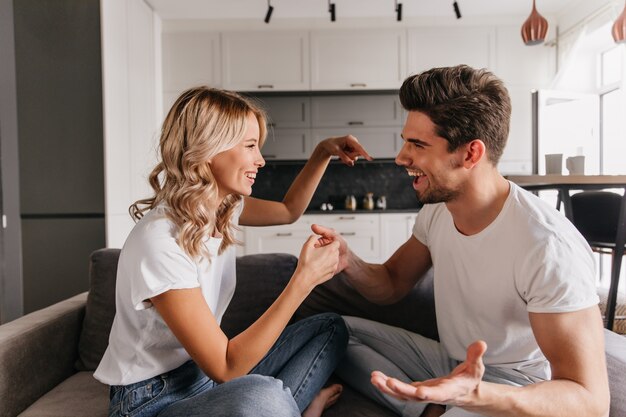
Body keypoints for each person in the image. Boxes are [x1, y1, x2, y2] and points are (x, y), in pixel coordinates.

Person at [312, 65, 610, 417]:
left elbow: (591, 402)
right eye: (406, 140)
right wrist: (350, 262)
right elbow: (391, 284)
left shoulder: (547, 246)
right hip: (447, 361)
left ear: (470, 154)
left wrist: (478, 394)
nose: (401, 157)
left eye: (418, 144)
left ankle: (443, 406)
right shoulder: (439, 209)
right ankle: (433, 407)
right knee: (334, 331)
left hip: (514, 386)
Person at [94, 86, 372, 417]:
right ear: (208, 149)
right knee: (263, 397)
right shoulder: (160, 242)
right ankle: (296, 410)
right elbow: (225, 367)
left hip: (202, 380)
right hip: (152, 400)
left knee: (330, 327)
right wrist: (303, 280)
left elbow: (288, 210)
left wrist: (323, 152)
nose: (261, 160)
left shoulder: (224, 207)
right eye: (250, 146)